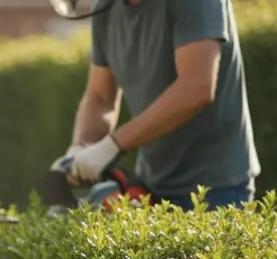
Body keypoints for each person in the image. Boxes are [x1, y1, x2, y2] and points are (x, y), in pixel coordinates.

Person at [56, 0, 260, 210]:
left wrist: (112, 145)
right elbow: (100, 97)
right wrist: (80, 147)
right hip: (152, 185)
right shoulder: (106, 9)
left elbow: (196, 87)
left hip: (215, 189)